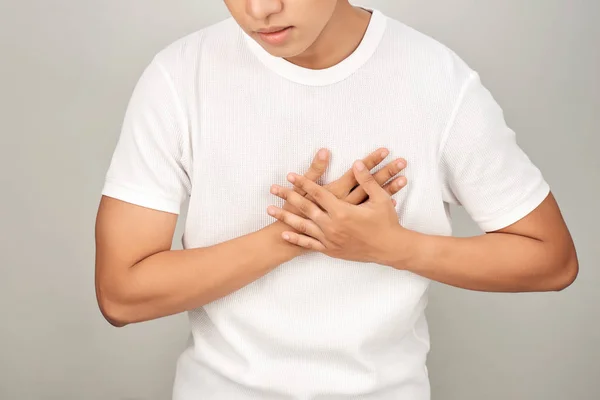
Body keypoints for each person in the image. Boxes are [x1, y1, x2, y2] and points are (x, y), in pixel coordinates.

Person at [94, 1, 578, 399]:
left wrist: (393, 246)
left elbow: (552, 261)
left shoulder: (437, 80)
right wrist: (300, 233)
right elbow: (121, 295)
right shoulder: (179, 76)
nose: (260, 9)